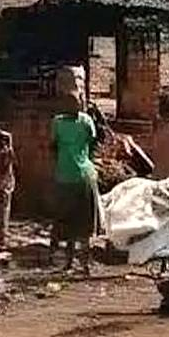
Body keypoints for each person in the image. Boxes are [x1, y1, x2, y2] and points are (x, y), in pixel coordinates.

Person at [51, 93, 100, 274]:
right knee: (85, 223)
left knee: (69, 221)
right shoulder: (86, 121)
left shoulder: (57, 123)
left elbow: (53, 147)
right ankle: (84, 263)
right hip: (84, 175)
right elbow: (92, 144)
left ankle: (70, 262)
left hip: (66, 176)